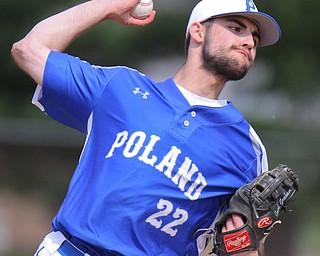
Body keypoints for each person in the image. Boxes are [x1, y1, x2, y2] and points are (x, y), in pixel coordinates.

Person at [11, 0, 281, 255]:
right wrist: (106, 6)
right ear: (198, 31)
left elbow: (249, 244)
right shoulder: (120, 89)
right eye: (236, 28)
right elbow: (29, 50)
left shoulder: (247, 148)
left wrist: (246, 246)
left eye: (255, 39)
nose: (248, 42)